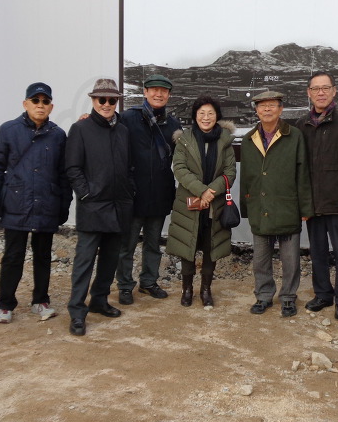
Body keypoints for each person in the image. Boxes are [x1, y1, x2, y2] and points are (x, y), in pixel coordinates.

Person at [0, 82, 71, 324]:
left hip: (46, 204)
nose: (40, 105)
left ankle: (40, 301)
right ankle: (5, 304)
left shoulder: (58, 135)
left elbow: (63, 173)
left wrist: (65, 202)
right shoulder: (8, 130)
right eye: (35, 101)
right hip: (16, 203)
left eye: (45, 101)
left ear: (51, 106)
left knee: (43, 255)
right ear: (25, 104)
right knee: (13, 255)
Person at [64, 78, 134, 337]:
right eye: (101, 99)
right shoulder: (80, 129)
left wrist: (130, 191)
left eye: (112, 100)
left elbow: (128, 167)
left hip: (119, 206)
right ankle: (77, 311)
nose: (106, 104)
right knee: (84, 261)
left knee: (109, 259)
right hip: (93, 206)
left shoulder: (123, 130)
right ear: (93, 101)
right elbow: (72, 167)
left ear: (117, 102)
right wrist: (85, 194)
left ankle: (100, 300)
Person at [240, 91, 313, 318]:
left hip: (287, 206)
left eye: (272, 105)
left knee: (290, 259)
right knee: (260, 259)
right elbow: (247, 177)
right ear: (256, 110)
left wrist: (305, 208)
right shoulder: (249, 138)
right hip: (260, 207)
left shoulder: (295, 136)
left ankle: (289, 297)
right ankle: (263, 296)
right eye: (262, 106)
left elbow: (303, 173)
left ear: (281, 109)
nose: (267, 110)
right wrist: (246, 207)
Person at [295, 73, 338, 322]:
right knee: (317, 251)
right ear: (308, 93)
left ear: (334, 91)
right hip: (312, 202)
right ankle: (323, 293)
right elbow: (298, 167)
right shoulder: (302, 125)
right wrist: (301, 201)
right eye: (316, 88)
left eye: (326, 88)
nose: (320, 93)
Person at [165, 94, 237, 308]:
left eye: (210, 113)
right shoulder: (184, 139)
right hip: (189, 202)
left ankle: (206, 289)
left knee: (210, 247)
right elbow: (179, 168)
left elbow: (230, 172)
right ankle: (186, 289)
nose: (206, 117)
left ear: (217, 116)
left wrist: (211, 192)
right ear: (195, 116)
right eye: (201, 113)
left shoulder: (225, 140)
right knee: (187, 247)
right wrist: (201, 190)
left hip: (214, 205)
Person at [116, 74, 182, 305]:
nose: (158, 94)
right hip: (133, 193)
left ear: (169, 95)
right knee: (127, 244)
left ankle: (148, 282)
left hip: (160, 193)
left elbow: (183, 158)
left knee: (154, 243)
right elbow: (107, 134)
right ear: (145, 92)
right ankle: (125, 285)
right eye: (153, 90)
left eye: (163, 91)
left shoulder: (174, 125)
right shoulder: (127, 118)